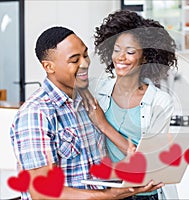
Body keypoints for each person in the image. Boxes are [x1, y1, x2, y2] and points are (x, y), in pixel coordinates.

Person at [9, 26, 162, 200]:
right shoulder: (36, 115)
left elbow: (93, 169)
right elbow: (42, 192)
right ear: (49, 67)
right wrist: (111, 195)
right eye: (75, 60)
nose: (85, 63)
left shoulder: (87, 102)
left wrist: (134, 181)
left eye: (85, 55)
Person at [80, 10, 178, 200]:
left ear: (146, 57)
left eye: (130, 52)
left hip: (146, 194)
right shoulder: (96, 89)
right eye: (116, 50)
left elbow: (147, 160)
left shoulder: (160, 102)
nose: (121, 57)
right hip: (109, 192)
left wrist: (103, 125)